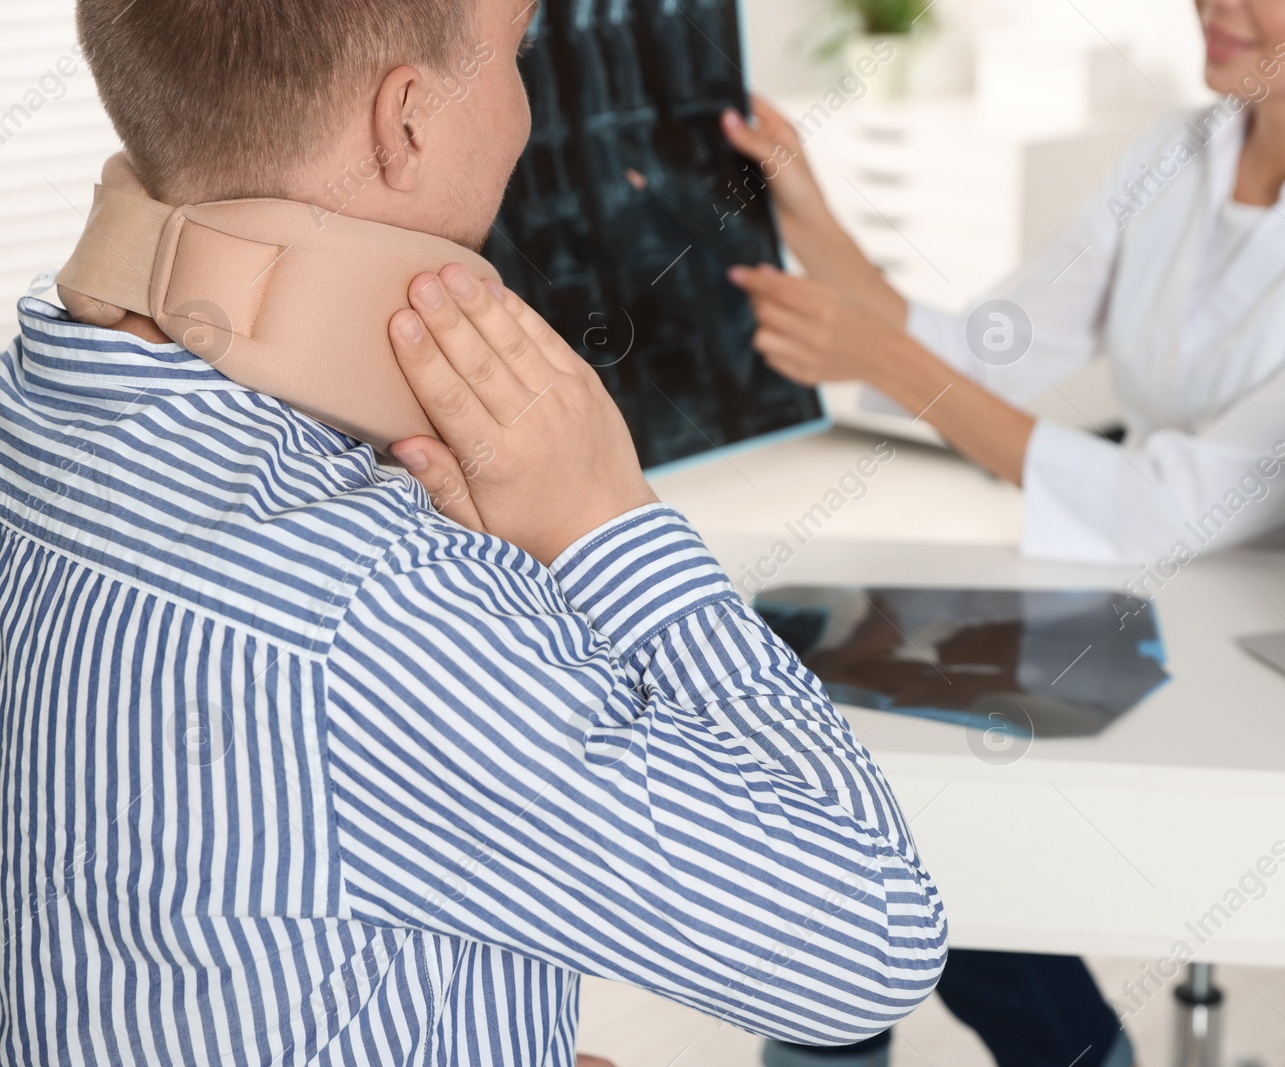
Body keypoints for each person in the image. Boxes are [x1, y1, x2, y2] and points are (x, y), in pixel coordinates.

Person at [0, 0, 946, 1063]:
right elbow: (872, 947)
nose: (530, 107)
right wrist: (604, 522)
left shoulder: (33, 413)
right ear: (406, 122)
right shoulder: (374, 606)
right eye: (521, 50)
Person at [724, 0, 1285, 1064]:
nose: (1217, 6)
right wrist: (803, 207)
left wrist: (887, 360)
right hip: (1140, 591)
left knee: (935, 841)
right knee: (860, 801)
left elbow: (1178, 505)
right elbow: (987, 354)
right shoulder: (1175, 154)